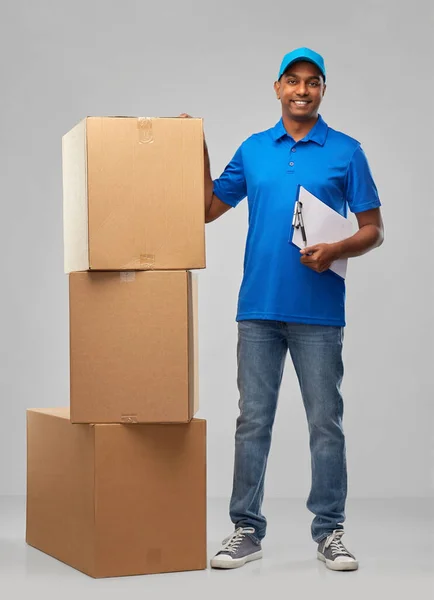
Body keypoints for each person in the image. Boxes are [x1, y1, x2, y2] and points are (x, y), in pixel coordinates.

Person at [180, 47, 384, 572]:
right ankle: (245, 530)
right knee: (252, 422)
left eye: (312, 82)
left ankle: (330, 532)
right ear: (277, 88)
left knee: (325, 424)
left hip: (318, 313)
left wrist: (337, 250)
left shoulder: (346, 151)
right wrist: (195, 146)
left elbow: (373, 229)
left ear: (322, 91)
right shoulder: (253, 150)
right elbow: (207, 210)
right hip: (258, 310)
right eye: (292, 81)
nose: (301, 90)